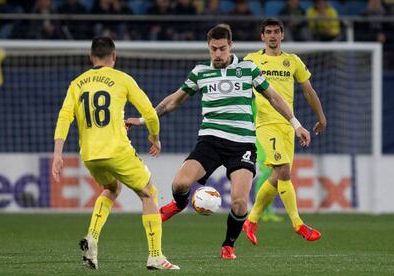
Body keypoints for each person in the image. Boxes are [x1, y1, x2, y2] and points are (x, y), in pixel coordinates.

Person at [126, 24, 311, 259]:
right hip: (210, 141)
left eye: (222, 49)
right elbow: (174, 101)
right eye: (213, 49)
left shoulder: (248, 69)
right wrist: (143, 120)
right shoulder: (200, 72)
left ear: (230, 46)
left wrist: (296, 125)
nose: (218, 54)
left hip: (242, 145)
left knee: (239, 203)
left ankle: (228, 245)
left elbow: (274, 97)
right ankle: (180, 204)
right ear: (208, 47)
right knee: (179, 185)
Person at [51, 36, 179, 270]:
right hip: (117, 150)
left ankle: (92, 237)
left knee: (111, 189)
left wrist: (57, 153)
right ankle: (155, 255)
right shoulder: (122, 79)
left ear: (91, 57)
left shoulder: (77, 83)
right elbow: (150, 113)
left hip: (90, 155)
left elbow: (64, 117)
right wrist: (155, 137)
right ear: (114, 57)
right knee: (149, 193)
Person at [242, 18, 327, 245]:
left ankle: (251, 220)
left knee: (278, 175)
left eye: (276, 32)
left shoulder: (293, 61)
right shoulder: (251, 61)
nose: (272, 35)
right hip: (265, 125)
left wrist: (321, 117)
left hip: (289, 126)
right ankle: (298, 223)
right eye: (268, 32)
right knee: (283, 170)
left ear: (282, 35)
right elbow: (236, 88)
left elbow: (308, 91)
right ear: (262, 36)